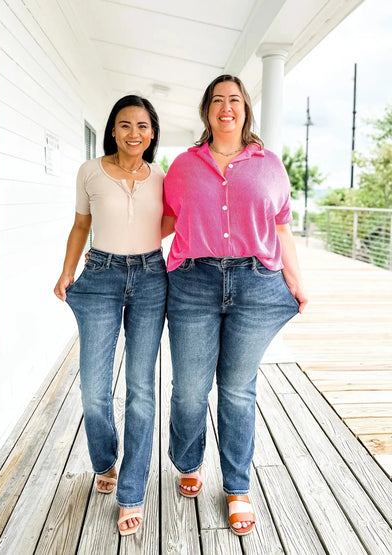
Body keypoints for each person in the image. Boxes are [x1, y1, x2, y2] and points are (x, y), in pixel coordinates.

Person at [162, 75, 308, 536]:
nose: (227, 107)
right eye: (218, 101)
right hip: (193, 283)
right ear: (207, 111)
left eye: (235, 100)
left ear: (246, 109)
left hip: (255, 283)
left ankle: (238, 487)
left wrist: (297, 283)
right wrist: (115, 249)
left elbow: (282, 230)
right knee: (189, 387)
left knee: (238, 389)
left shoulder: (270, 165)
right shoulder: (184, 165)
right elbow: (166, 219)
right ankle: (187, 460)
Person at [54, 95, 169, 536]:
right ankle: (105, 460)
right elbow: (81, 226)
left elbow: (176, 217)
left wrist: (138, 244)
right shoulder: (89, 171)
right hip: (98, 275)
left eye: (142, 126)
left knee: (141, 388)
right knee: (93, 387)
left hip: (151, 277)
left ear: (152, 132)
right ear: (113, 130)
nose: (133, 133)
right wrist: (68, 271)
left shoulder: (161, 175)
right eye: (125, 125)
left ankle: (133, 490)